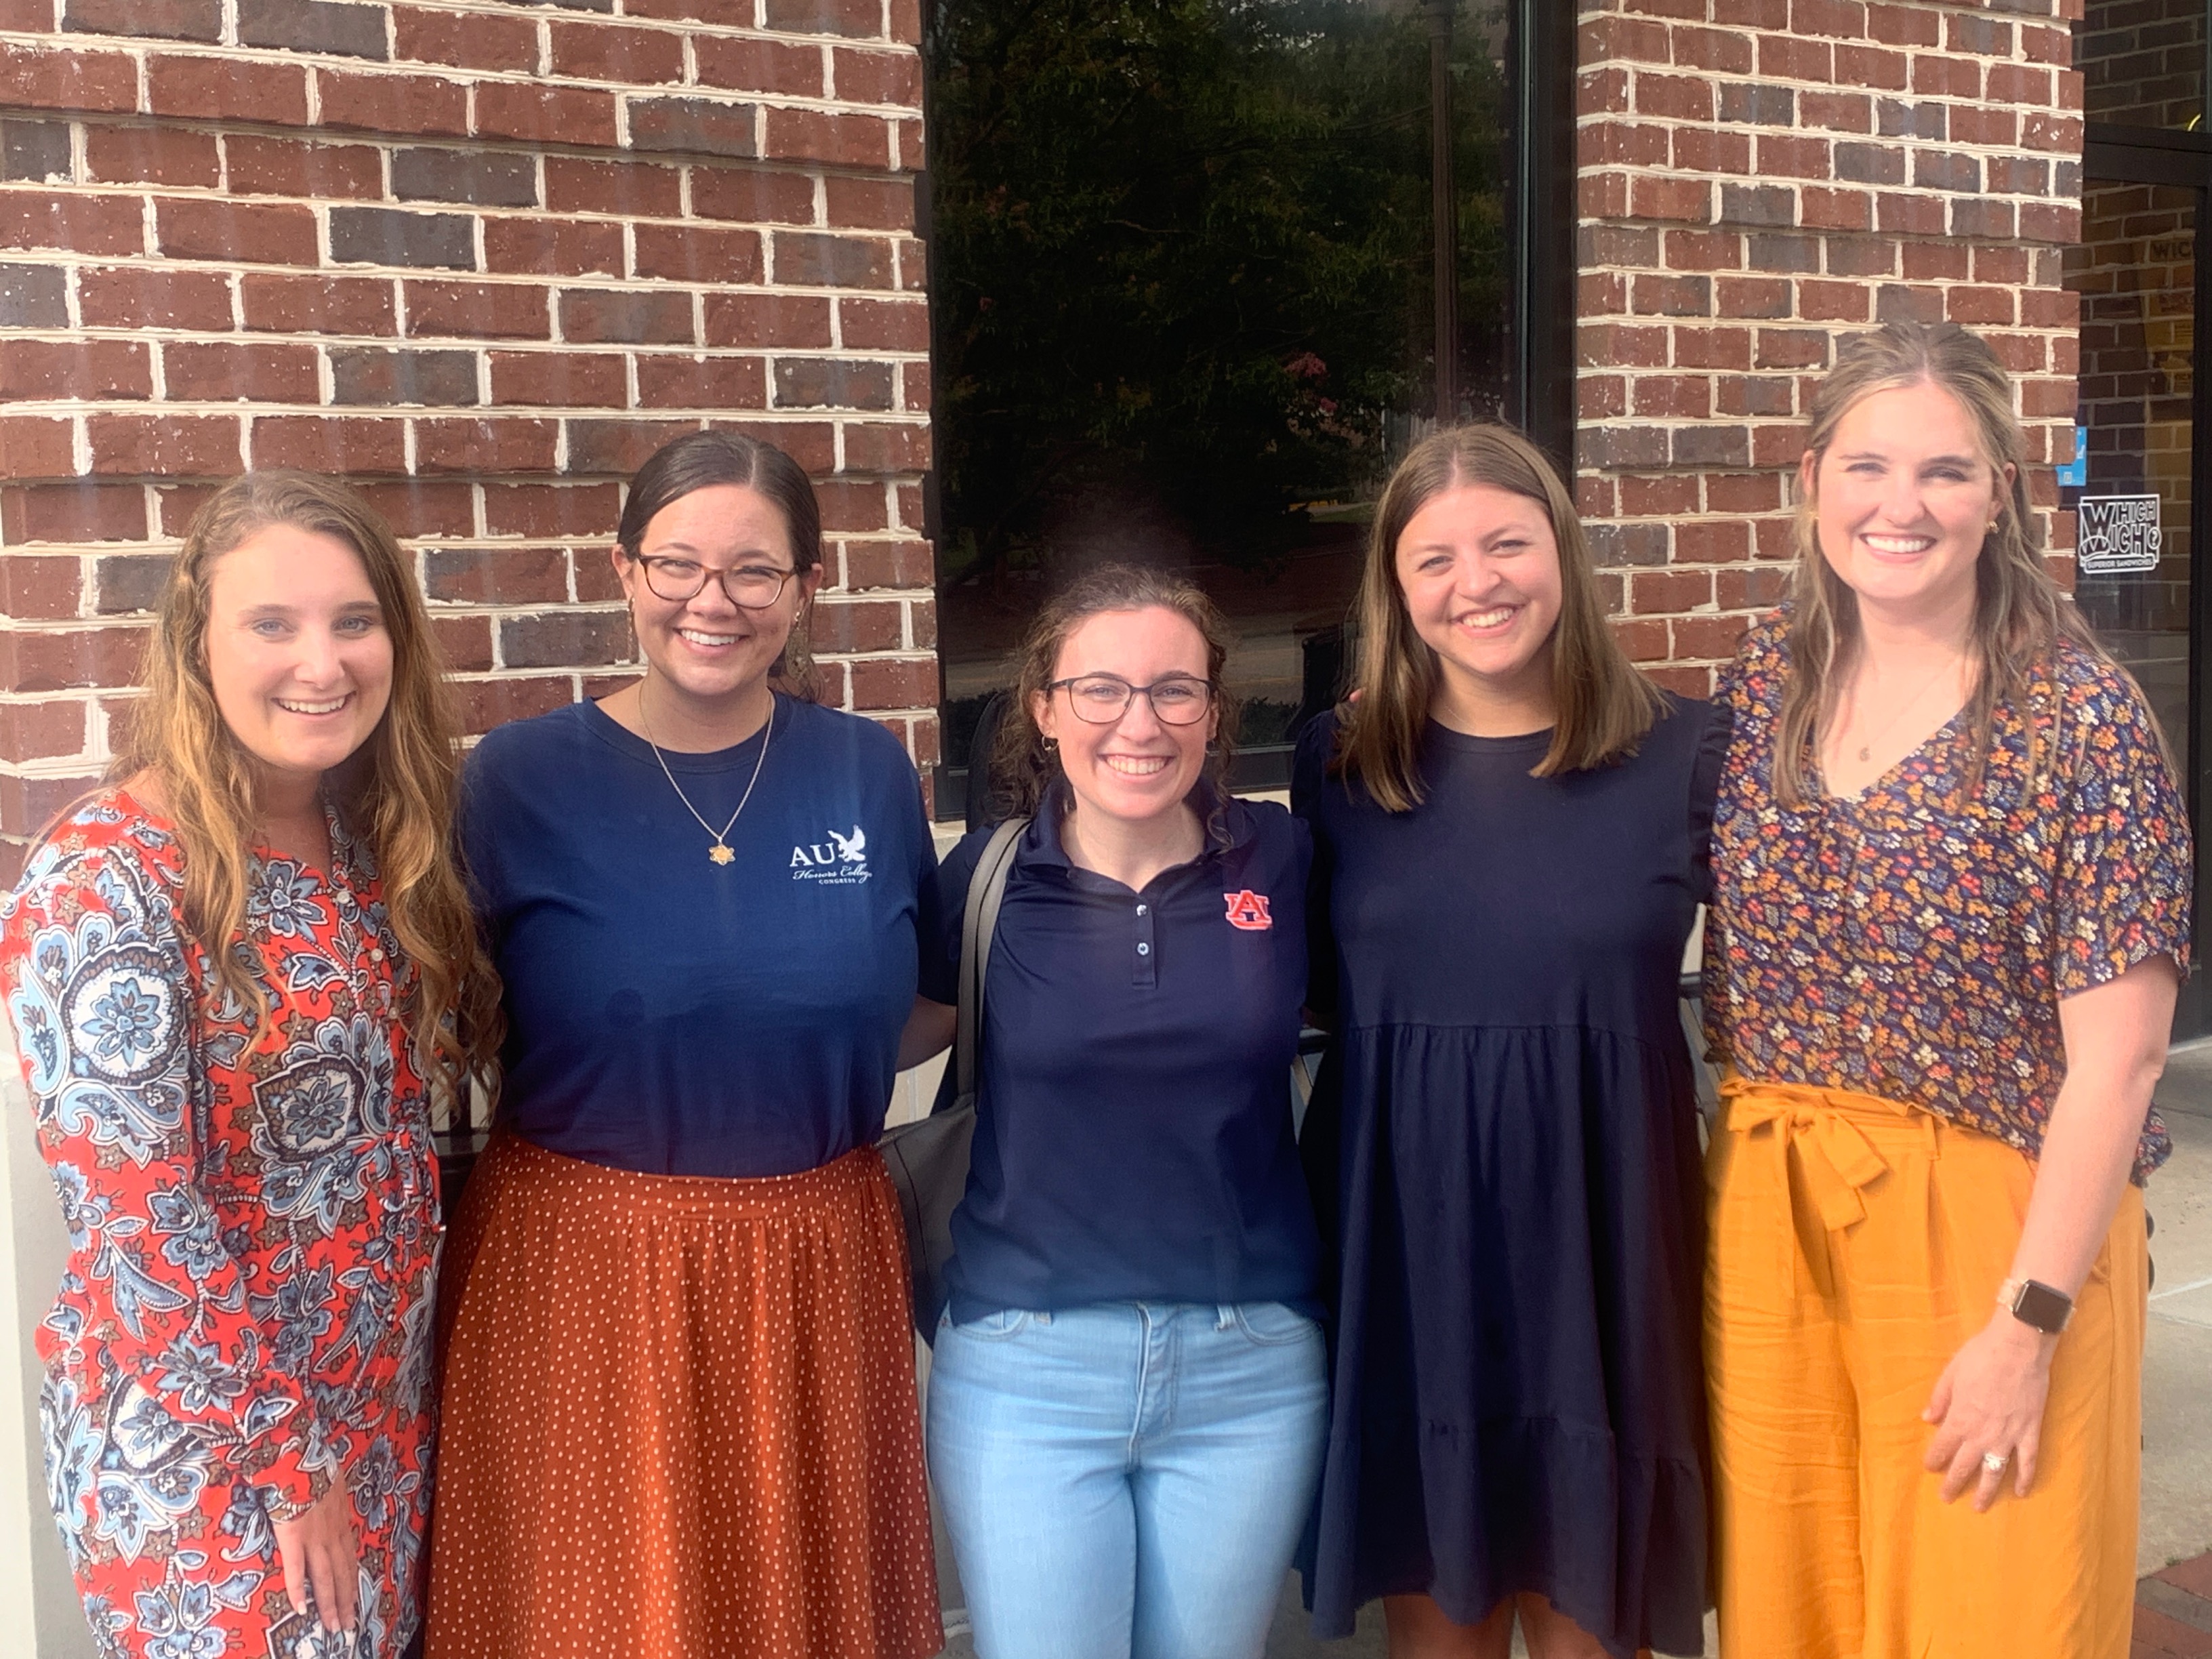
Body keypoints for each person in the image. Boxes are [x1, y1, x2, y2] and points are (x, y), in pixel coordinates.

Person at [1702, 319, 2191, 1658]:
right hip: (1773, 1215)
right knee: (1794, 1605)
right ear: (1811, 478)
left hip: (1999, 1227)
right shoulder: (1769, 688)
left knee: (1996, 1612)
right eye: (1867, 466)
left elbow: (2125, 1062)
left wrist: (2026, 1327)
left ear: (2001, 496)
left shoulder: (2075, 721)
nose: (1898, 507)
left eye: (1945, 473)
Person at [425, 430, 945, 1659]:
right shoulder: (514, 782)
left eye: (756, 572)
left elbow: (926, 996)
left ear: (806, 590)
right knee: (602, 1617)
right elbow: (433, 1017)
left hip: (819, 1261)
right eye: (678, 565)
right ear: (622, 571)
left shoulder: (866, 772)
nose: (714, 602)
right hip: (586, 1271)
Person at [0, 470, 499, 1658]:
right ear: (197, 646)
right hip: (220, 1465)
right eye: (272, 624)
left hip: (373, 1424)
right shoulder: (107, 881)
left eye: (353, 620)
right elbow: (139, 1227)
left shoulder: (364, 847)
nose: (321, 664)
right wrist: (289, 1464)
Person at [1295, 424, 1719, 1659]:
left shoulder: (1689, 753)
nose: (1474, 582)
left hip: (1605, 1247)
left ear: (1563, 552)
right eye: (1434, 559)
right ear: (1397, 590)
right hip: (1409, 1246)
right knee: (1444, 1626)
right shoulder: (1344, 764)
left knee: (1600, 1622)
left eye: (1504, 543)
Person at [920, 564, 1327, 1659]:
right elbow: (853, 1048)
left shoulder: (1280, 858)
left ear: (1212, 709)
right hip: (1024, 1369)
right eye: (1099, 690)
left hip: (1250, 1365)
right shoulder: (989, 879)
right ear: (1045, 709)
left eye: (1172, 691)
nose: (1137, 723)